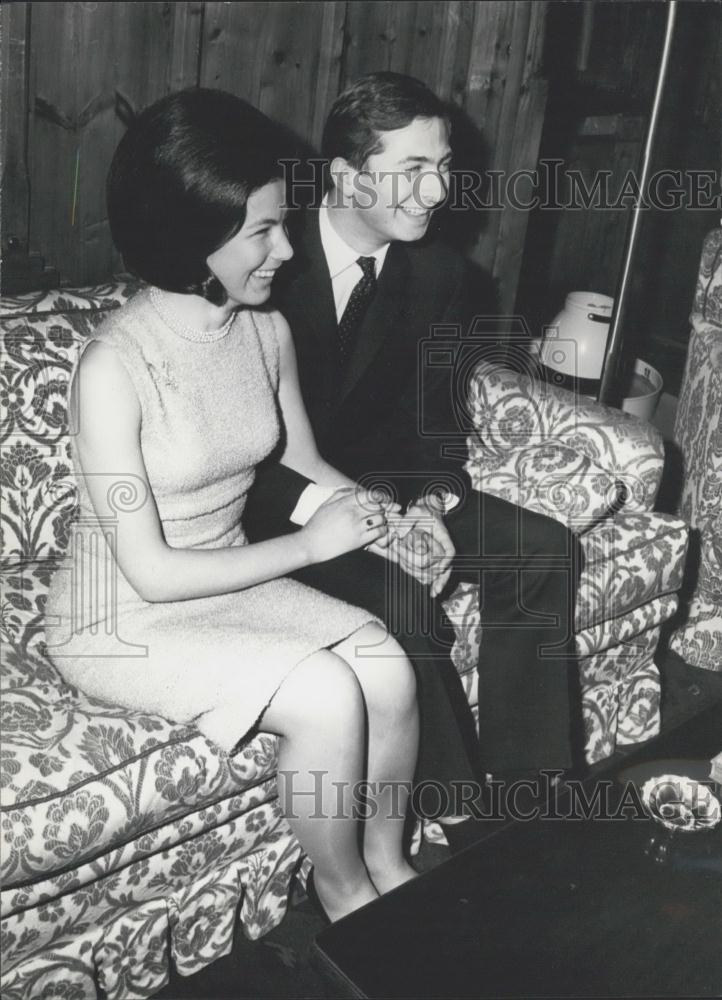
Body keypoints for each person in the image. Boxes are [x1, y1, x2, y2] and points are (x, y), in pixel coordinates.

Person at [44, 88, 422, 924]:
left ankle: (394, 875)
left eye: (279, 223)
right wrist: (313, 547)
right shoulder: (114, 368)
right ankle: (347, 902)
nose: (287, 247)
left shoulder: (263, 331)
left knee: (386, 664)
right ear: (191, 238)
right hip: (121, 617)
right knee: (325, 692)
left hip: (229, 580)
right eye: (261, 230)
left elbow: (306, 462)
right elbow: (148, 574)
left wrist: (388, 524)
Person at [245, 71, 585, 781]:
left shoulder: (442, 277)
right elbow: (240, 453)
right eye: (412, 170)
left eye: (444, 168)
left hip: (390, 489)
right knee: (404, 603)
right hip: (279, 509)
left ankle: (534, 789)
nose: (436, 193)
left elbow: (433, 427)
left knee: (542, 550)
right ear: (346, 176)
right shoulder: (264, 261)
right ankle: (454, 813)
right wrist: (363, 520)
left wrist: (428, 506)